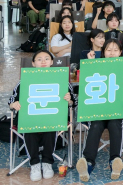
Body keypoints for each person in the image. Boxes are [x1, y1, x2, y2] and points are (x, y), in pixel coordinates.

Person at [9, 50, 75, 181]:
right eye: (39, 59)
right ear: (33, 63)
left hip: (52, 117)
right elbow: (10, 102)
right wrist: (14, 104)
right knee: (29, 128)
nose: (43, 61)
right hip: (30, 117)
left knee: (51, 127)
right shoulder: (23, 82)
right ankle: (34, 164)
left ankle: (47, 162)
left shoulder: (62, 80)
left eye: (46, 59)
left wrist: (69, 101)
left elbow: (73, 103)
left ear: (52, 62)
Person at [76, 39, 123, 182]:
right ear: (103, 52)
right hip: (98, 108)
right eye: (108, 50)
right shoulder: (96, 67)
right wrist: (90, 65)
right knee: (96, 125)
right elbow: (86, 90)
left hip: (117, 108)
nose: (112, 53)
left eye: (115, 50)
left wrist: (119, 87)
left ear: (120, 53)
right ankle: (87, 164)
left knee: (114, 123)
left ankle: (114, 161)